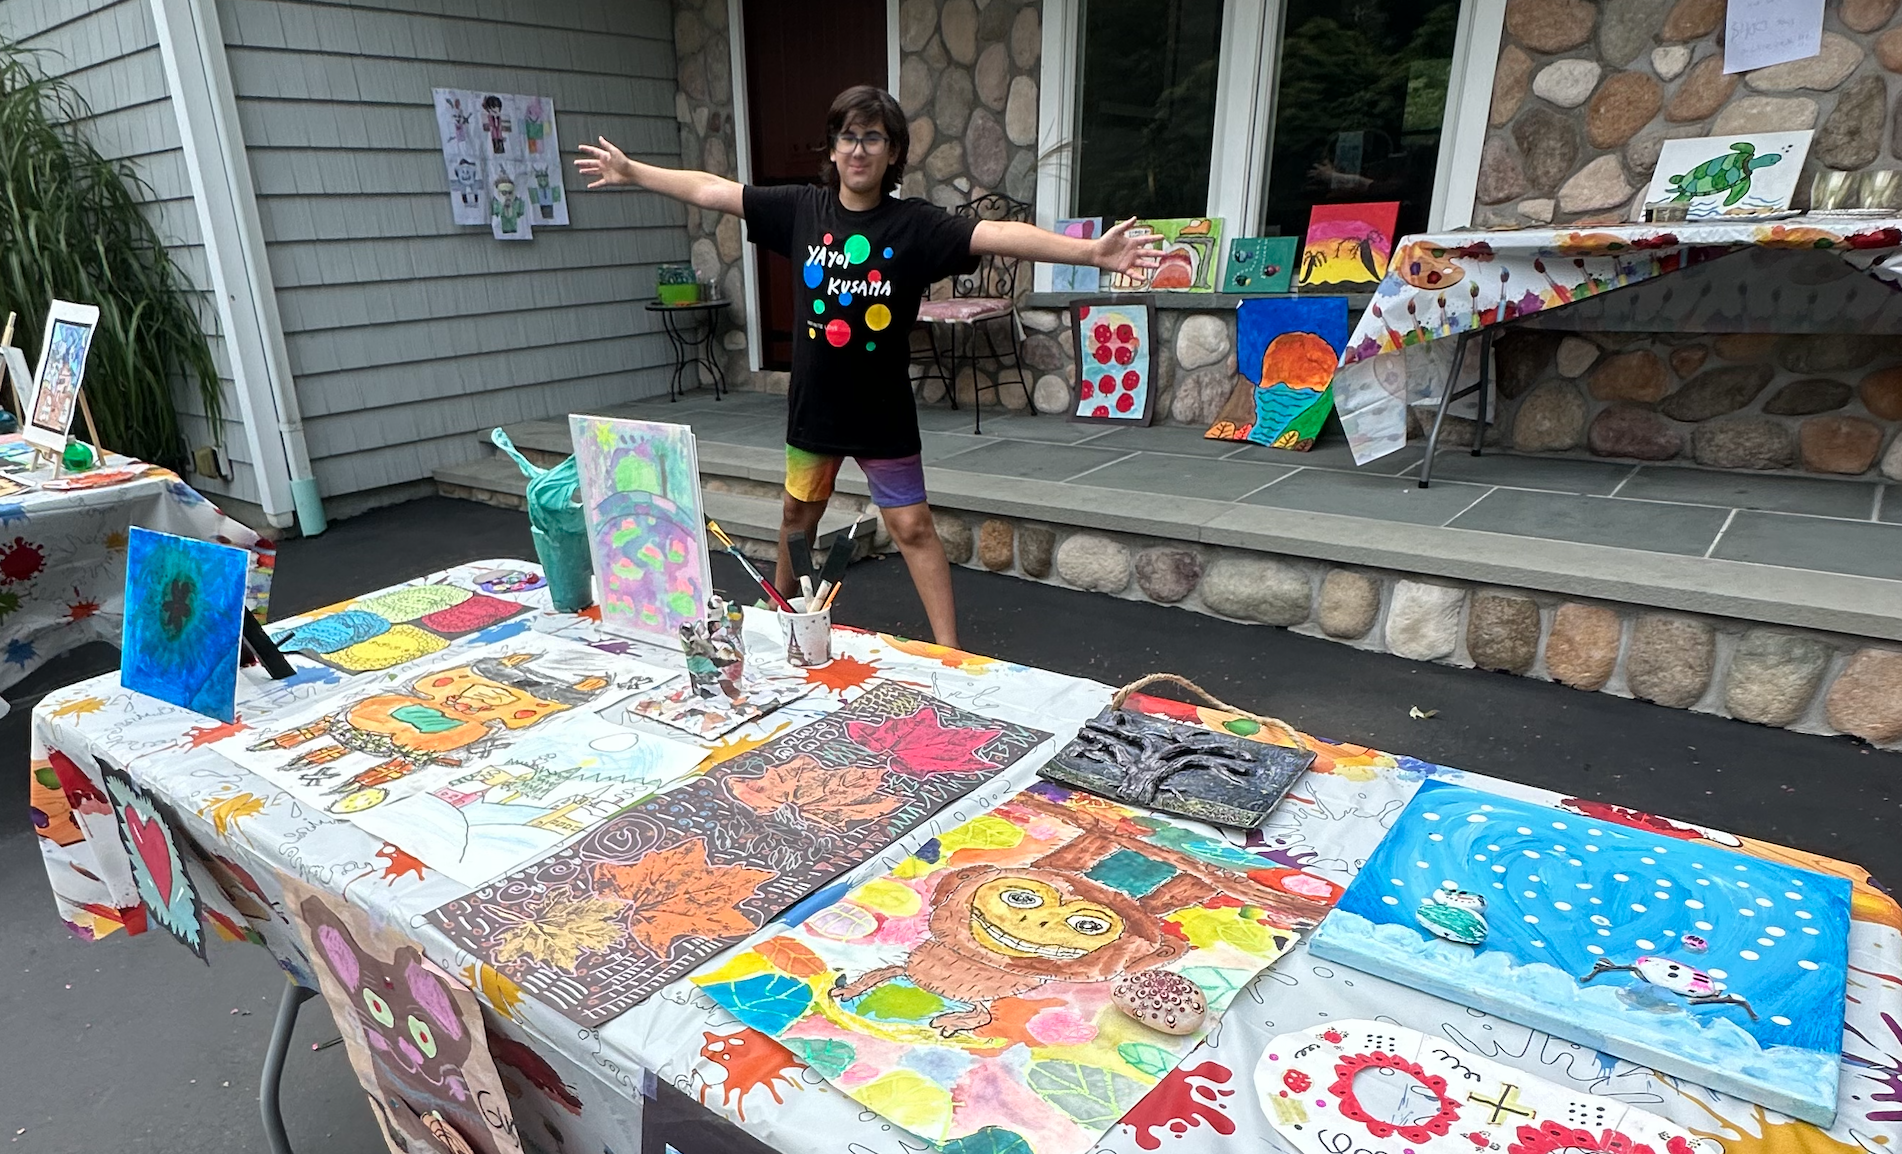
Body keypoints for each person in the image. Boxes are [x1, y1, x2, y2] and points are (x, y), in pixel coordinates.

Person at [577, 85, 1157, 649]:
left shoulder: (916, 227)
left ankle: (951, 653)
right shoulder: (803, 210)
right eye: (848, 137)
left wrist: (1089, 252)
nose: (859, 149)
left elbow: (999, 233)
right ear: (832, 149)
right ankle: (779, 624)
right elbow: (713, 190)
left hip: (882, 412)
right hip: (815, 408)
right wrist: (636, 173)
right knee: (796, 518)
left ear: (893, 152)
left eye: (873, 138)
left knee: (912, 528)